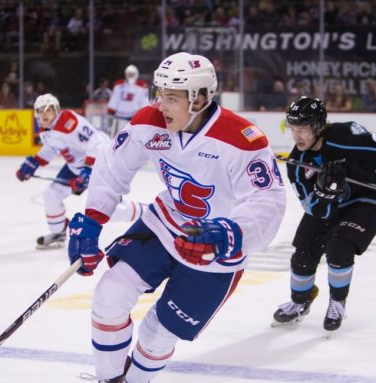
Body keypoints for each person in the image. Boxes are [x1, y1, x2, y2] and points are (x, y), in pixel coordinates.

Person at [66, 52, 286, 383]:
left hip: (214, 248)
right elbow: (112, 168)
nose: (161, 104)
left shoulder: (240, 139)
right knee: (109, 295)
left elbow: (268, 199)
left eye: (171, 97)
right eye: (159, 93)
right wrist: (93, 220)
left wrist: (230, 232)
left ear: (199, 98)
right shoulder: (149, 121)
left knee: (157, 332)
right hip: (164, 223)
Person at [272, 96, 376, 333]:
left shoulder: (348, 137)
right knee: (302, 253)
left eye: (303, 129)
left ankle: (337, 303)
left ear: (318, 125)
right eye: (293, 129)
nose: (297, 136)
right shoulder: (297, 163)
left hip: (366, 201)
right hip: (329, 205)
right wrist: (326, 194)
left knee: (339, 249)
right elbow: (313, 208)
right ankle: (300, 301)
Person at [16, 93, 146, 250]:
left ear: (56, 110)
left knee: (113, 210)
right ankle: (58, 233)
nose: (43, 114)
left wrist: (88, 171)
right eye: (40, 110)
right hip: (76, 167)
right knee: (51, 195)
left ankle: (148, 213)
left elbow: (98, 142)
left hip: (98, 164)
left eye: (47, 110)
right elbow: (52, 148)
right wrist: (34, 163)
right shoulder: (46, 129)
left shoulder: (68, 122)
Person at [106, 64, 149, 136]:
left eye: (132, 74)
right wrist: (111, 110)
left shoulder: (141, 87)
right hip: (119, 117)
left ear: (136, 74)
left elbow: (144, 103)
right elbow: (113, 101)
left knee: (134, 139)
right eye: (129, 74)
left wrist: (142, 115)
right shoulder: (118, 86)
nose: (130, 75)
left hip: (134, 117)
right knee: (116, 138)